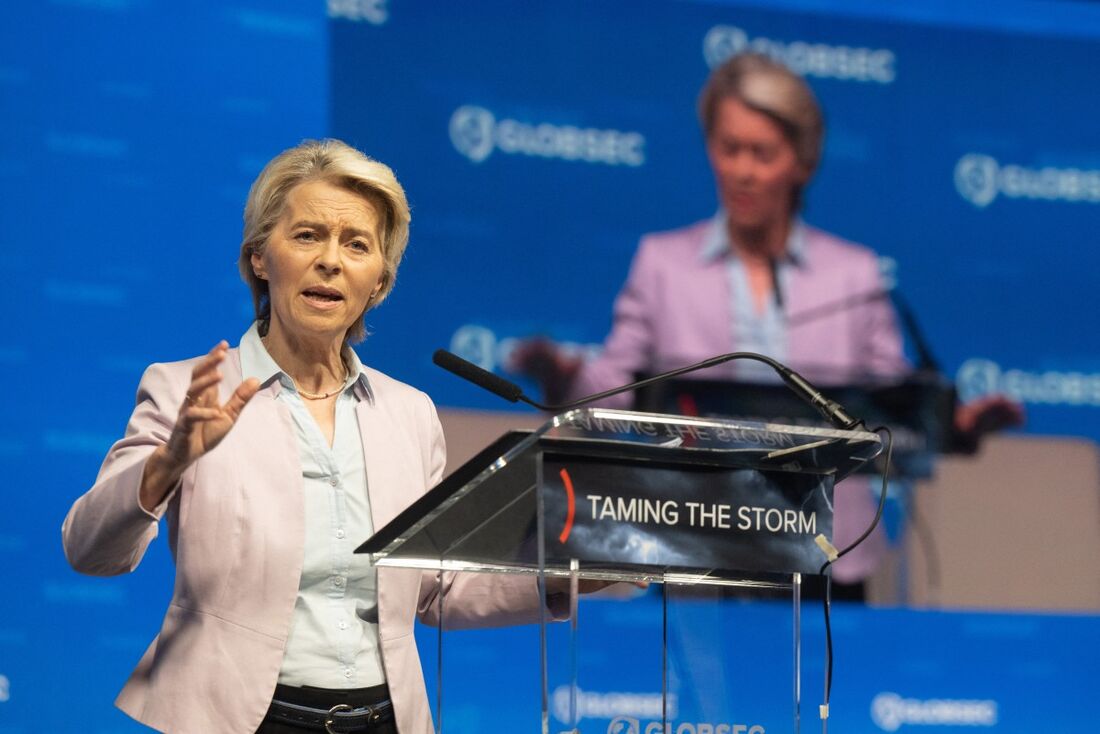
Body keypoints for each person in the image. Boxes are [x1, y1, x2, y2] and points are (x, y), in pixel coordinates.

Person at [62, 139, 567, 734]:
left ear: (378, 281)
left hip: (384, 720)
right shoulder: (184, 392)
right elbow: (89, 550)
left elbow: (434, 589)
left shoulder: (409, 413)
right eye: (306, 236)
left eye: (357, 245)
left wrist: (570, 576)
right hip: (236, 720)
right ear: (259, 258)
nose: (331, 260)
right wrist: (169, 462)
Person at [513, 53, 1021, 597]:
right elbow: (613, 397)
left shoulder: (854, 275)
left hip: (828, 552)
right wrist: (563, 379)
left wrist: (955, 427)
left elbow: (892, 415)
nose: (742, 170)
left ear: (802, 162)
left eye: (762, 153)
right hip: (692, 545)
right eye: (728, 148)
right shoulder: (663, 265)